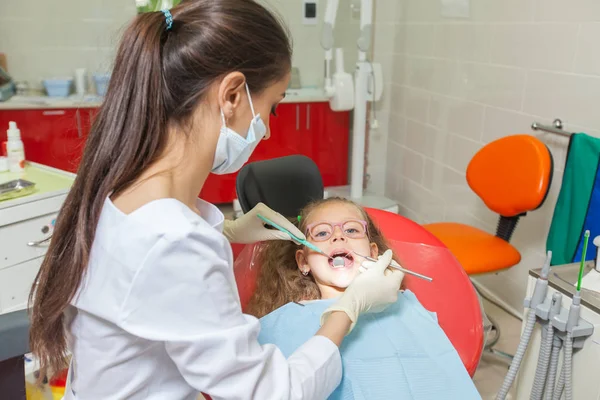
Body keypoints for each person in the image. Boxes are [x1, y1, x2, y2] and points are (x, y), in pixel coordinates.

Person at [27, 2, 404, 399]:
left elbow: (148, 268)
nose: (269, 131)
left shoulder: (118, 185)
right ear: (232, 95)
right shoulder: (175, 243)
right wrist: (349, 309)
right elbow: (273, 394)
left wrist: (226, 230)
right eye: (272, 107)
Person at [245, 197, 481, 399]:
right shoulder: (285, 323)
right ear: (303, 261)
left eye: (351, 230)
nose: (338, 237)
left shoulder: (407, 308)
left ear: (374, 253)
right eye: (322, 232)